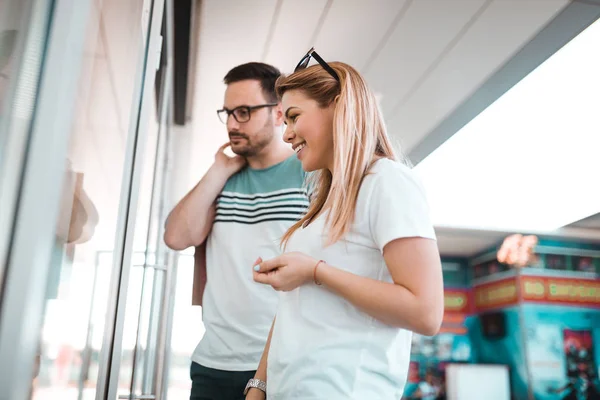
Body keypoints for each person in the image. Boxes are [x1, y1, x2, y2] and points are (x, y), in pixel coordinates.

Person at [249, 49, 445, 399]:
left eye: (294, 117)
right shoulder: (324, 201)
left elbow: (426, 312)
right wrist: (259, 386)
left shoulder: (388, 181)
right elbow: (294, 309)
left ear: (338, 107)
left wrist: (316, 272)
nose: (287, 135)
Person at [163, 62, 308, 400]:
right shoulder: (222, 181)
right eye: (227, 113)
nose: (231, 124)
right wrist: (218, 170)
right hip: (213, 364)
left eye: (243, 112)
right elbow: (176, 237)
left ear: (278, 114)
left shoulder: (308, 173)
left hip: (284, 362)